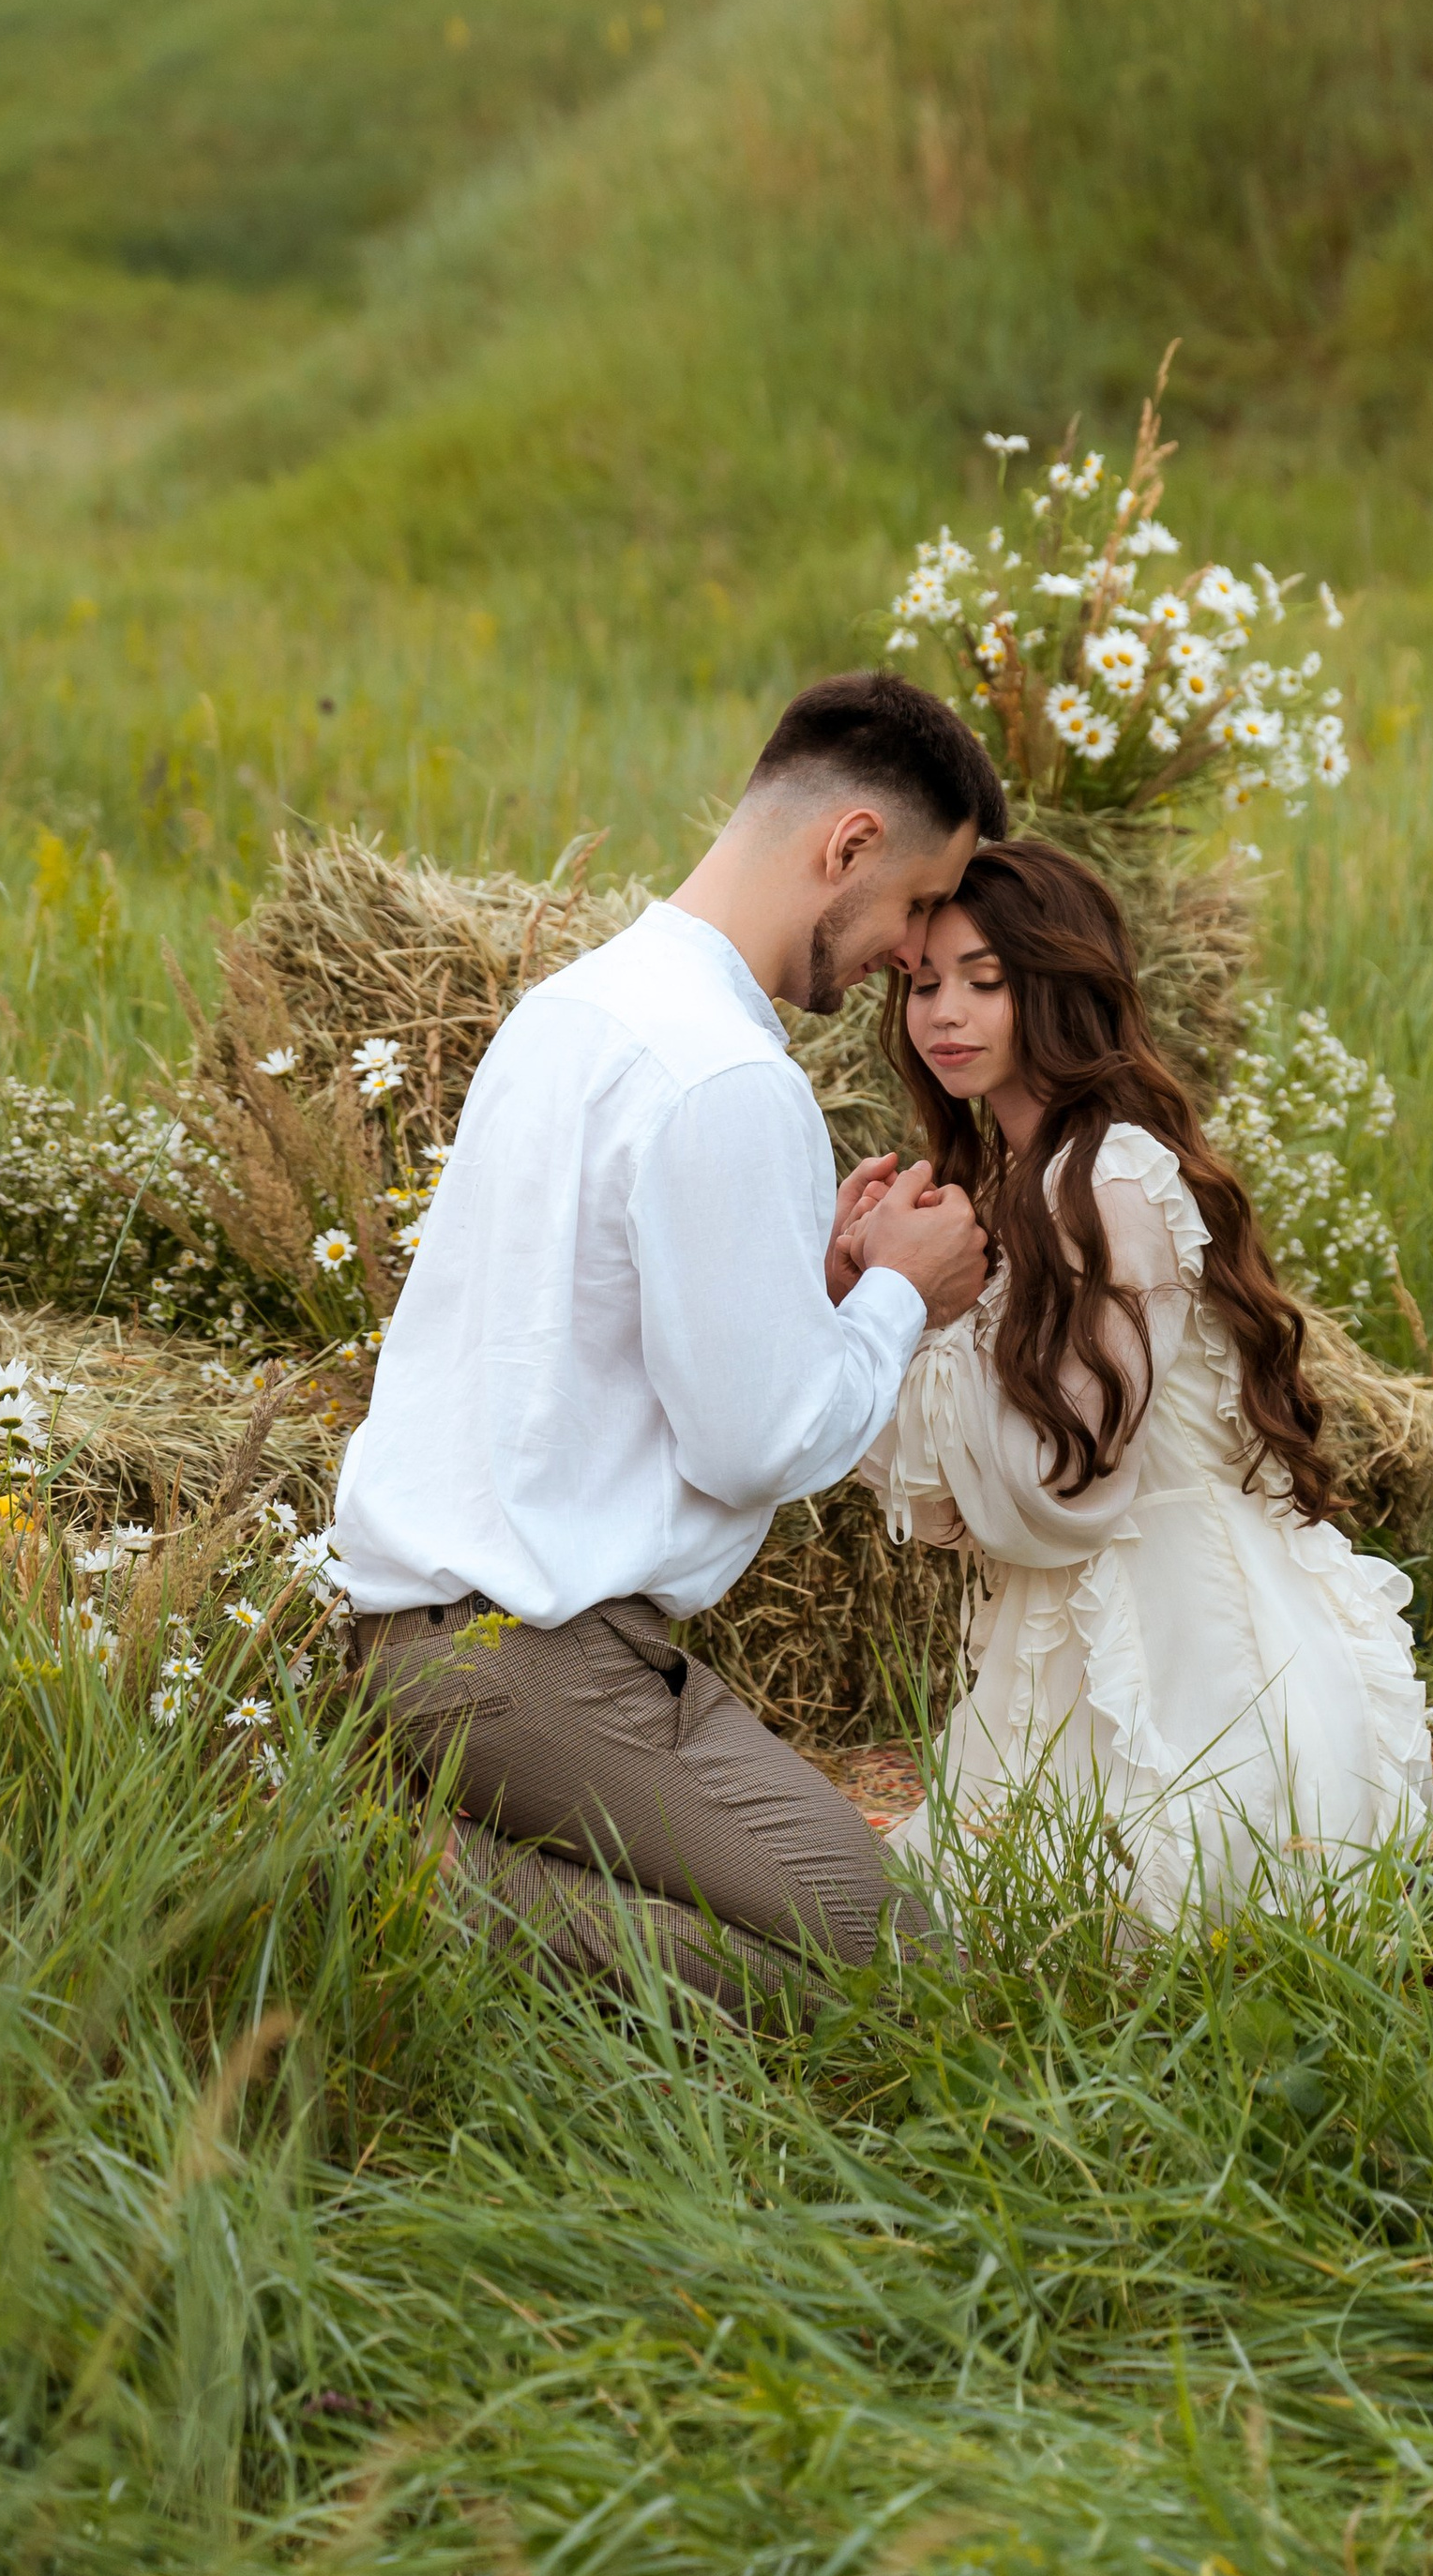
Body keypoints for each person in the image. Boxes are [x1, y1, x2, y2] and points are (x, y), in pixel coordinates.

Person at [328, 671, 1007, 2010]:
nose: (915, 955)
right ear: (851, 844)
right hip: (536, 1665)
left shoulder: (580, 1008)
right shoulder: (730, 1074)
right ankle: (399, 1878)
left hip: (428, 1641)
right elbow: (756, 1443)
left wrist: (802, 1287)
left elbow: (586, 1329)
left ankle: (439, 1859)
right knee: (898, 1971)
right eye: (922, 904)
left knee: (831, 1938)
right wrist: (900, 1299)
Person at [851, 838, 1433, 1925]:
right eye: (924, 981)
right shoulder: (1008, 1181)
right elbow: (950, 1506)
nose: (944, 1012)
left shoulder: (1108, 1175)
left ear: (1057, 987)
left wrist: (905, 1312)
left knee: (1107, 1916)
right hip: (1066, 1617)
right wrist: (864, 1293)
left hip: (1179, 1633)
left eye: (985, 980)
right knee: (950, 1924)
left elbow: (1059, 1484)